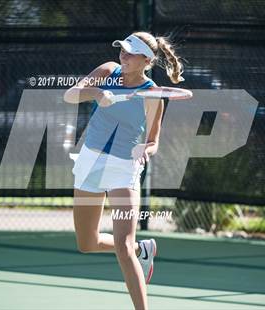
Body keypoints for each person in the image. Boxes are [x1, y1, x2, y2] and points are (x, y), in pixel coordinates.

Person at [64, 31, 184, 310]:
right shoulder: (107, 71)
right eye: (123, 49)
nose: (124, 55)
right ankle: (144, 249)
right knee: (87, 243)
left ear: (146, 60)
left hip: (123, 168)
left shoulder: (153, 95)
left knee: (123, 246)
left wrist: (146, 150)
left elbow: (153, 140)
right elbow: (69, 95)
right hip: (89, 162)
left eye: (131, 52)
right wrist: (96, 93)